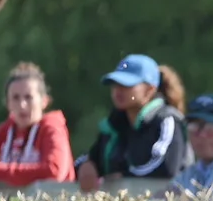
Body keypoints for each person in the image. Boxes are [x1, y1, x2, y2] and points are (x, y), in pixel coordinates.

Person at [75, 54, 190, 192]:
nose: (118, 90)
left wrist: (124, 178)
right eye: (115, 84)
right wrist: (86, 165)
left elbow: (166, 167)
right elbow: (91, 159)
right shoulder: (114, 126)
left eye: (127, 85)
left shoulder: (167, 120)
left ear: (150, 89)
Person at [0, 62, 74, 190]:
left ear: (44, 101)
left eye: (28, 97)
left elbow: (54, 171)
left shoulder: (51, 128)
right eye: (15, 98)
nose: (22, 105)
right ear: (8, 103)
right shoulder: (6, 131)